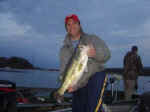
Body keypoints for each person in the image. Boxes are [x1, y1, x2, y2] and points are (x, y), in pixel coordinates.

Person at [58, 14, 111, 112]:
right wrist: (66, 85)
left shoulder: (92, 39)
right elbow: (63, 70)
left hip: (95, 78)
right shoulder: (64, 50)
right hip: (78, 82)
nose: (72, 26)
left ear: (79, 24)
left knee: (92, 108)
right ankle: (59, 94)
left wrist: (95, 54)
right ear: (66, 28)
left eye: (74, 23)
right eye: (68, 25)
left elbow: (107, 54)